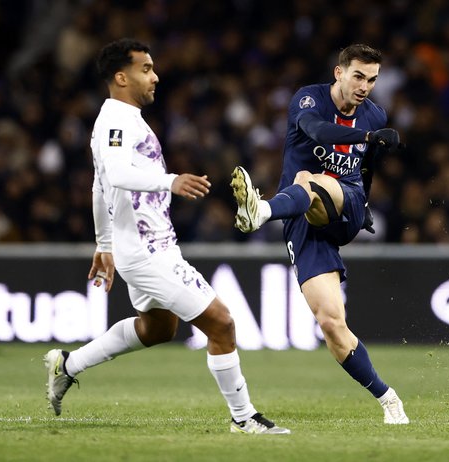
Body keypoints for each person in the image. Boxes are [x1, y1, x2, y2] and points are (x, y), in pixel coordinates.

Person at [43, 38, 289, 435]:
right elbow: (118, 175)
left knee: (159, 329)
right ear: (121, 77)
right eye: (146, 69)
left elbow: (99, 185)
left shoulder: (122, 120)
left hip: (144, 245)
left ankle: (66, 365)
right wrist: (171, 180)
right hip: (147, 251)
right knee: (222, 324)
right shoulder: (116, 122)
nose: (155, 76)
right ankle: (244, 418)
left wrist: (104, 244)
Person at [230, 44, 409, 424]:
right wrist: (368, 137)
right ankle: (388, 398)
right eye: (358, 76)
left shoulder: (374, 112)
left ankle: (261, 210)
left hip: (347, 200)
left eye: (372, 79)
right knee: (331, 323)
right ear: (339, 73)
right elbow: (318, 132)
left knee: (307, 178)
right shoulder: (308, 99)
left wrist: (365, 210)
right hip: (304, 217)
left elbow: (367, 168)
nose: (365, 86)